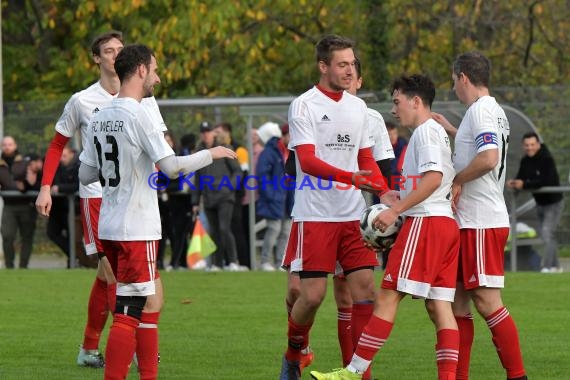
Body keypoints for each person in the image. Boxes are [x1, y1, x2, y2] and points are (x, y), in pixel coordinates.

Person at [78, 43, 237, 380]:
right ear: (139, 71)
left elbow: (85, 174)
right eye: (154, 69)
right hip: (136, 228)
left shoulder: (100, 115)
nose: (158, 77)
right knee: (128, 312)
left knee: (150, 302)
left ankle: (149, 375)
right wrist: (213, 152)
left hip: (108, 224)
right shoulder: (141, 114)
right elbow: (171, 167)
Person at [311, 74, 460, 380]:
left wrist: (396, 211)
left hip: (427, 223)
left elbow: (432, 178)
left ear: (415, 101)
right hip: (445, 225)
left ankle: (352, 372)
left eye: (397, 101)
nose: (394, 110)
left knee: (387, 296)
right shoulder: (434, 132)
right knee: (440, 308)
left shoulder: (425, 133)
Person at [34, 31, 168, 368]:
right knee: (115, 277)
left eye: (119, 50)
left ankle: (90, 346)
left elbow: (160, 143)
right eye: (108, 50)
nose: (114, 55)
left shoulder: (145, 98)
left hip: (137, 200)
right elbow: (56, 145)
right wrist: (46, 187)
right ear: (96, 58)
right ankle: (133, 347)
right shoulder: (82, 100)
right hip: (97, 197)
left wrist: (163, 171)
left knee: (113, 276)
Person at [278, 34, 393, 380]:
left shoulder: (359, 109)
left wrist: (386, 195)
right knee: (311, 296)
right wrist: (352, 179)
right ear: (324, 66)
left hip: (352, 217)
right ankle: (292, 354)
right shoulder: (304, 105)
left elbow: (365, 158)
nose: (349, 70)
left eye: (353, 64)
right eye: (342, 64)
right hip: (315, 215)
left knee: (365, 293)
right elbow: (308, 162)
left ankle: (359, 374)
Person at [432, 51, 527, 380]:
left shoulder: (482, 110)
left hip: (481, 221)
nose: (454, 88)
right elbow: (482, 147)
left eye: (453, 80)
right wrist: (454, 130)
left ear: (463, 78)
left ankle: (518, 375)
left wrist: (456, 180)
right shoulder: (489, 111)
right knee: (457, 302)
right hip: (469, 222)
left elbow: (488, 158)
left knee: (487, 302)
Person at [507, 132, 564, 273]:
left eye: (532, 145)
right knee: (547, 234)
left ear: (538, 144)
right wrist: (514, 183)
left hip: (553, 203)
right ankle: (556, 266)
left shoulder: (547, 159)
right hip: (540, 203)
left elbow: (547, 181)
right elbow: (521, 177)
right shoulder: (525, 161)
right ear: (523, 146)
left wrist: (524, 184)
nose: (529, 148)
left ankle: (547, 266)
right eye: (526, 145)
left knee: (546, 233)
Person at [192, 122, 245, 271]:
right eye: (203, 132)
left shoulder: (224, 149)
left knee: (224, 228)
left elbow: (237, 171)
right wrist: (195, 201)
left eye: (208, 131)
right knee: (214, 231)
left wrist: (229, 187)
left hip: (224, 197)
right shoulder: (199, 151)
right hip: (208, 198)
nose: (205, 134)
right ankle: (217, 263)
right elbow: (197, 179)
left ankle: (234, 261)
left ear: (213, 133)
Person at [255, 121, 293, 271]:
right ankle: (265, 261)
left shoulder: (292, 152)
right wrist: (271, 196)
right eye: (291, 135)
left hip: (288, 200)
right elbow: (262, 176)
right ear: (283, 136)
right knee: (274, 230)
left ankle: (280, 263)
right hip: (274, 200)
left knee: (285, 232)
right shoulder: (269, 152)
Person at [0, 137, 41, 269]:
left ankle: (23, 267)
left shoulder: (25, 162)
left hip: (26, 204)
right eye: (4, 144)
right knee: (7, 236)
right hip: (9, 205)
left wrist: (27, 184)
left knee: (27, 237)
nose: (7, 147)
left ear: (15, 145)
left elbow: (32, 181)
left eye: (10, 144)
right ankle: (9, 266)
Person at [48, 146, 80, 268]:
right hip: (58, 207)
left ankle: (74, 262)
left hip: (72, 208)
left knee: (74, 237)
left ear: (72, 153)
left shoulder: (79, 166)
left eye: (64, 156)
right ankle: (74, 257)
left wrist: (60, 188)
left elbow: (77, 185)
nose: (61, 159)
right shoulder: (58, 166)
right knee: (52, 233)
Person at [386, 120, 408, 190]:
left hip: (398, 182)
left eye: (394, 133)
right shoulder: (378, 147)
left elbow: (399, 167)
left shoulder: (404, 146)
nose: (392, 137)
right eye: (389, 134)